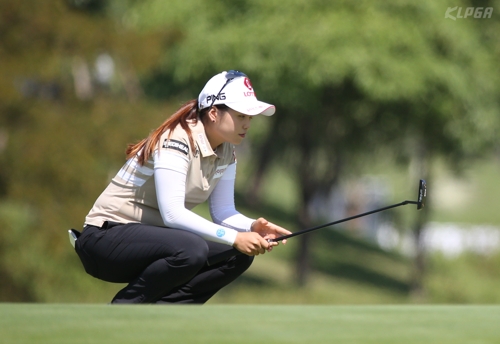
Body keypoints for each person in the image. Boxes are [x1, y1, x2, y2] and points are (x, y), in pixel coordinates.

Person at [74, 70, 292, 304]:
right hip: (104, 239)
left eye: (250, 117)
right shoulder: (177, 139)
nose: (247, 124)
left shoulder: (227, 151)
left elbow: (223, 212)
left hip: (154, 244)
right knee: (192, 248)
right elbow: (172, 214)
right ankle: (123, 310)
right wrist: (235, 237)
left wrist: (251, 227)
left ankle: (162, 317)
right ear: (214, 113)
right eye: (241, 116)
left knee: (237, 256)